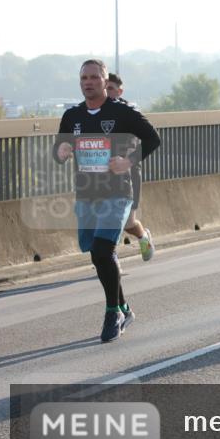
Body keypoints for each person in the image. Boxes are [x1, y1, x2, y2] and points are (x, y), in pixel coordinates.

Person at [52, 60, 161, 342]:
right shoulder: (72, 116)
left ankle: (113, 312)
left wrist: (129, 161)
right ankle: (124, 307)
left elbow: (152, 138)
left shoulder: (122, 112)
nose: (88, 82)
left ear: (104, 81)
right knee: (98, 255)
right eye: (83, 78)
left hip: (118, 191)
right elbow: (59, 149)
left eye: (93, 77)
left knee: (102, 249)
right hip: (87, 193)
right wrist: (61, 151)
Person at [105, 73, 156, 261]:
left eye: (110, 88)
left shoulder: (129, 111)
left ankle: (143, 237)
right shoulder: (91, 112)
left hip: (128, 173)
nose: (107, 92)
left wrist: (126, 160)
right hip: (101, 176)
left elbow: (148, 139)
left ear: (120, 91)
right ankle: (110, 259)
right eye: (104, 88)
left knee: (127, 222)